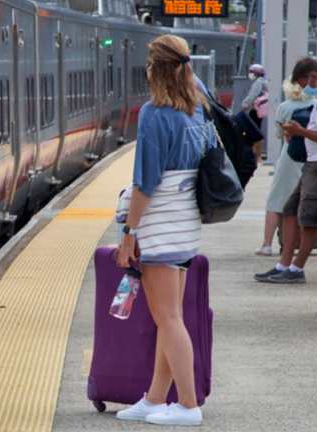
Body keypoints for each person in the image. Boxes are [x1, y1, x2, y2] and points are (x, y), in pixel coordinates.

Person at [114, 35, 209, 426]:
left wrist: (128, 233)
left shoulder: (155, 114)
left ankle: (187, 406)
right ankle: (154, 399)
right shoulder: (196, 107)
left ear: (155, 69)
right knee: (169, 317)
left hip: (161, 225)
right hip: (185, 224)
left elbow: (146, 183)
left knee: (168, 319)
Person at [255, 57, 317, 284]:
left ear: (313, 76)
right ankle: (284, 265)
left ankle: (296, 269)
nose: (305, 89)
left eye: (304, 84)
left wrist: (301, 132)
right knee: (290, 210)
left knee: (310, 218)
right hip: (314, 164)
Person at [256, 79, 317, 256]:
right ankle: (304, 244)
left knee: (276, 199)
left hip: (290, 157)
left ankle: (267, 244)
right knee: (307, 201)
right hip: (313, 156)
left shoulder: (284, 107)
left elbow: (279, 134)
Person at [242, 64, 268, 162]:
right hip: (260, 110)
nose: (250, 74)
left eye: (251, 72)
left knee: (252, 132)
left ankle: (255, 156)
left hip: (254, 110)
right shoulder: (264, 81)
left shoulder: (258, 83)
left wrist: (246, 105)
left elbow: (253, 96)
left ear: (256, 73)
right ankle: (257, 156)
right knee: (257, 130)